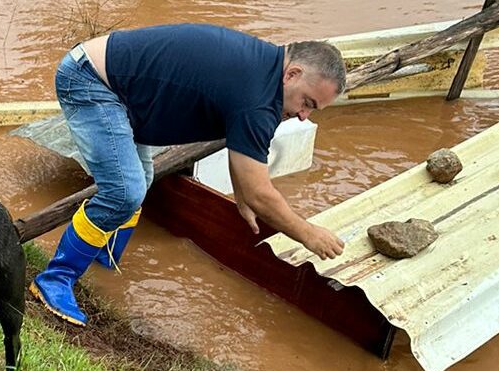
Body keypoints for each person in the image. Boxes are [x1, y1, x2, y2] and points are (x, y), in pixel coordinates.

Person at [29, 23, 348, 326]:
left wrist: (242, 195)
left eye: (312, 110)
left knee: (138, 182)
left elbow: (245, 151)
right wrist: (309, 234)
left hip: (121, 88)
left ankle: (101, 257)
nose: (304, 116)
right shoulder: (257, 98)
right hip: (91, 81)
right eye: (307, 103)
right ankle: (54, 281)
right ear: (292, 74)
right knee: (124, 191)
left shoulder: (264, 73)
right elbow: (260, 191)